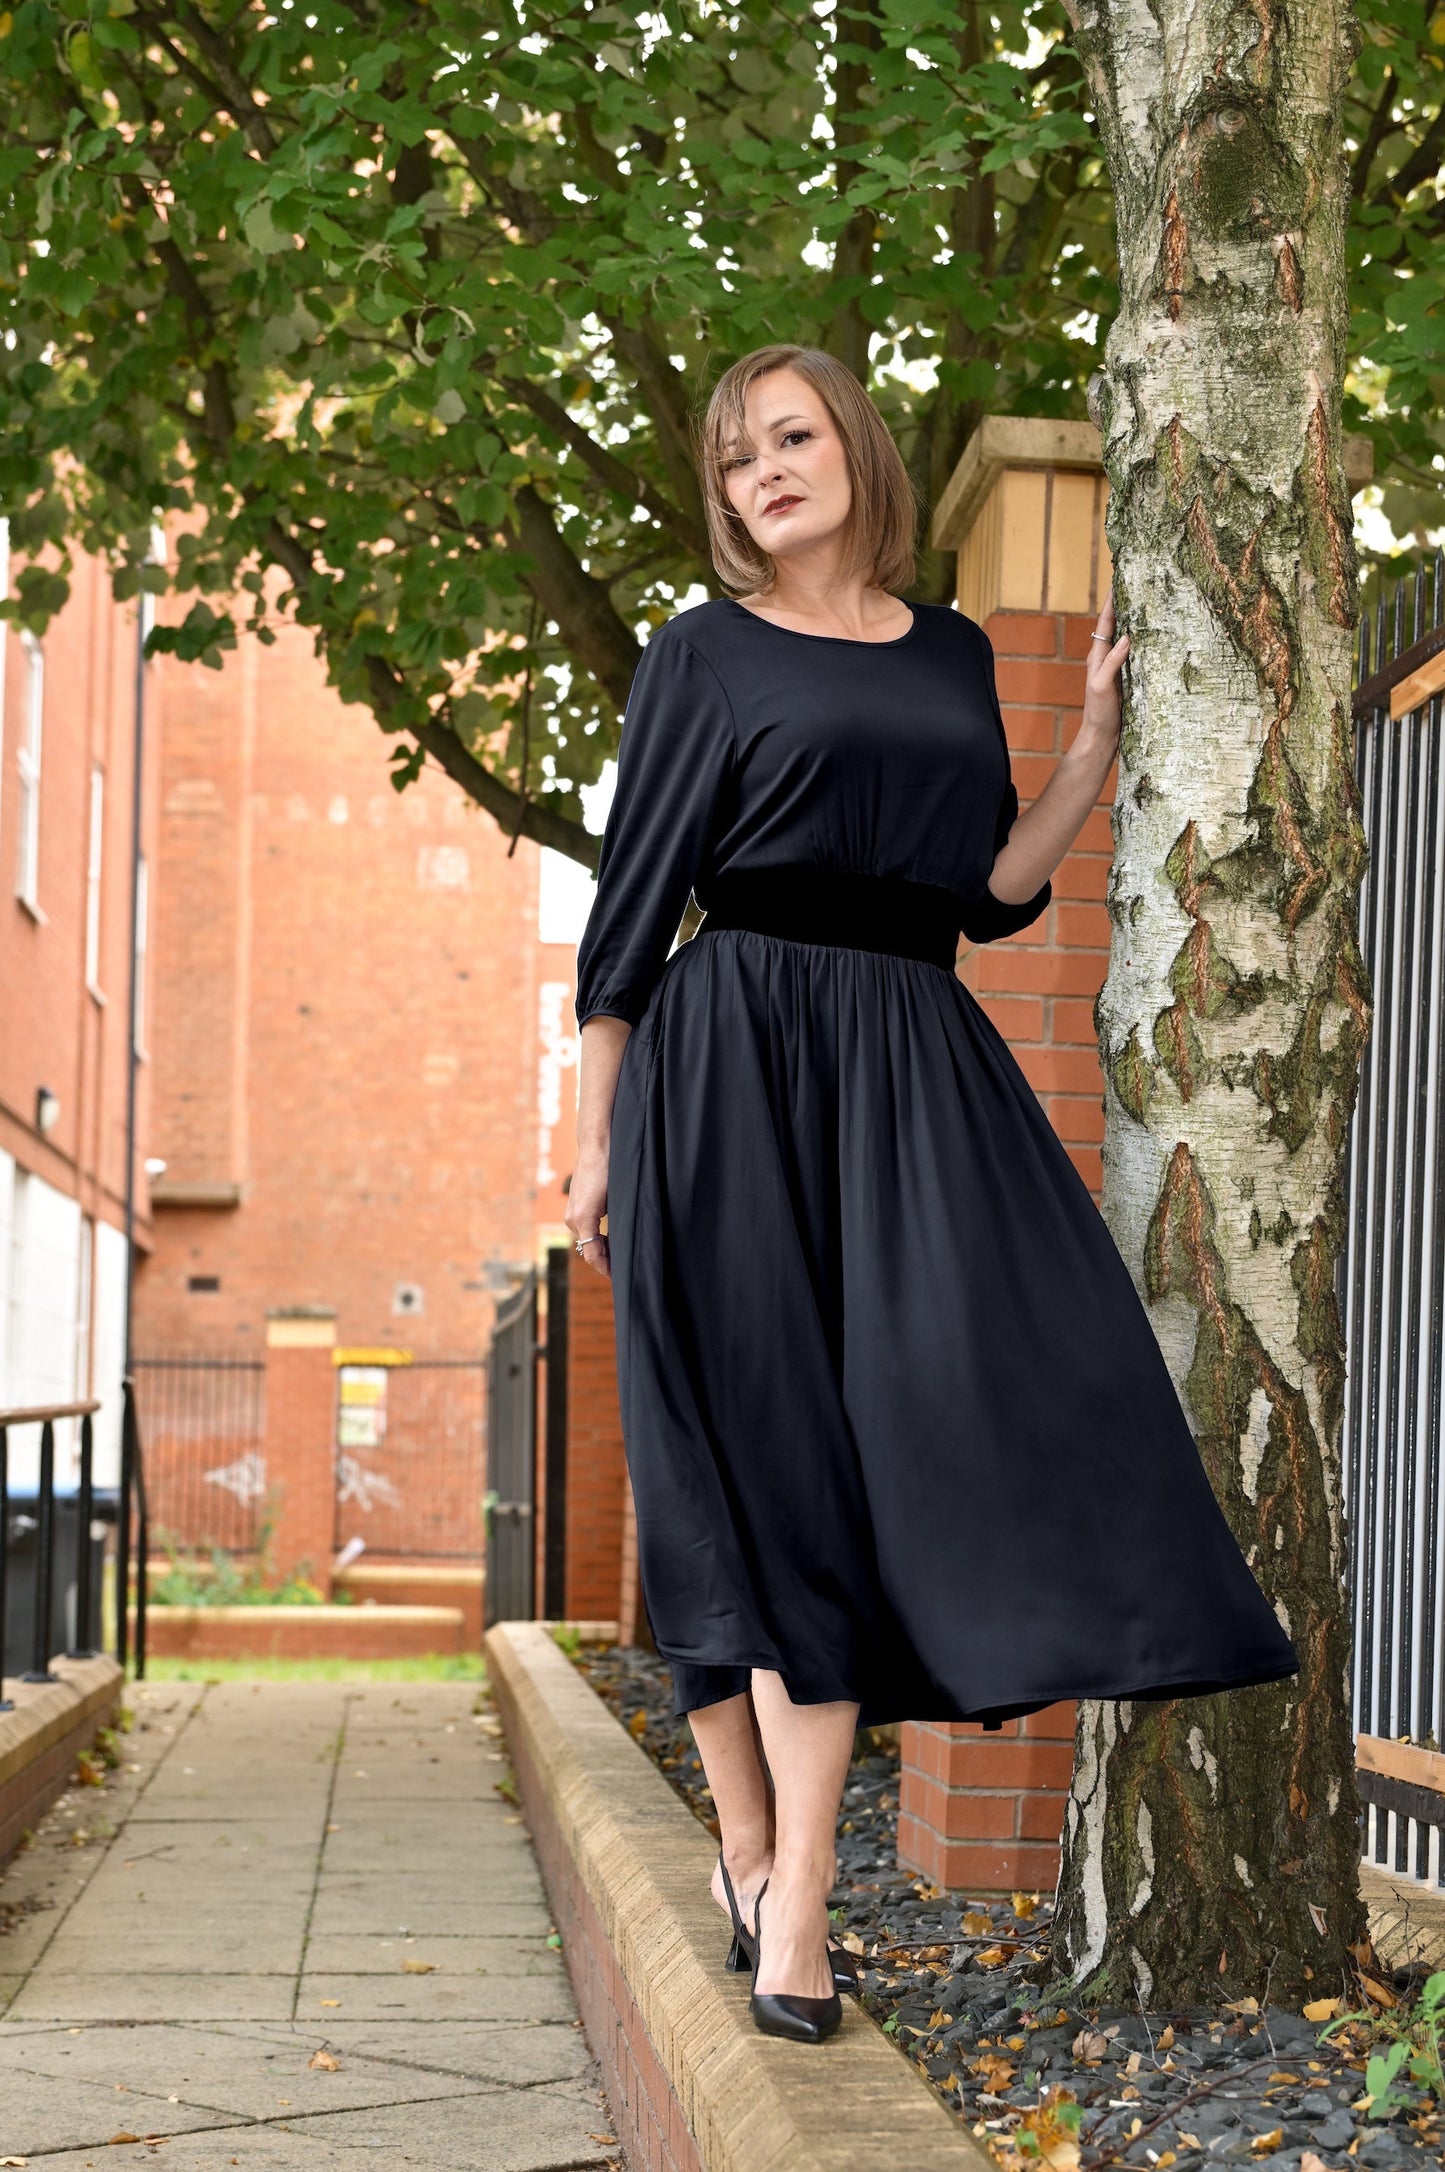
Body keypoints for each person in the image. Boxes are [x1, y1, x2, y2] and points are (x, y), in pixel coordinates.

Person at [565, 343, 1299, 2046]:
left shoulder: (955, 651)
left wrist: (1094, 741)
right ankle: (782, 1879)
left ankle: (773, 1855)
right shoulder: (700, 655)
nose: (764, 473)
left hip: (910, 1075)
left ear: (857, 451)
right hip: (730, 1066)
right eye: (736, 458)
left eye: (794, 438)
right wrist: (597, 1143)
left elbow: (986, 896)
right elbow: (627, 925)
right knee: (749, 1460)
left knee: (995, 1390)